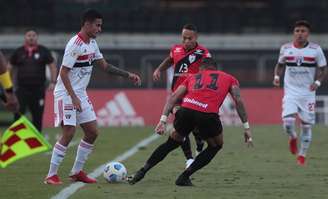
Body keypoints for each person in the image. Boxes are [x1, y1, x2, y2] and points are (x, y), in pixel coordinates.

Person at [44, 9, 141, 185]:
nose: (99, 29)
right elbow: (63, 72)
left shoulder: (92, 44)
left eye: (100, 26)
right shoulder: (75, 44)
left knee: (92, 132)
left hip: (79, 93)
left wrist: (128, 75)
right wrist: (73, 97)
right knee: (69, 132)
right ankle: (51, 175)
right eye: (97, 25)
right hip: (66, 93)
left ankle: (76, 172)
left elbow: (104, 66)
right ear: (86, 24)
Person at [129, 57, 253, 186]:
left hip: (186, 110)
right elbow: (238, 100)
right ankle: (184, 176)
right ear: (215, 68)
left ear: (201, 68)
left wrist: (163, 120)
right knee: (216, 145)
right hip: (207, 114)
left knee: (172, 142)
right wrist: (246, 127)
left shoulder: (192, 77)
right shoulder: (229, 78)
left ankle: (142, 171)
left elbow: (173, 97)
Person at [153, 24, 211, 168]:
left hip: (194, 95)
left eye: (189, 38)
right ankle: (189, 158)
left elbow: (210, 71)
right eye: (184, 38)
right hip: (178, 96)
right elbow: (169, 60)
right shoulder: (176, 49)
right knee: (180, 125)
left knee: (197, 129)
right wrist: (159, 69)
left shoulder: (203, 53)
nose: (186, 41)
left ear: (196, 38)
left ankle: (199, 143)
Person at [273, 20, 327, 166]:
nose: (300, 34)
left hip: (308, 94)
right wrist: (277, 77)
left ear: (308, 34)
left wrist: (317, 82)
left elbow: (323, 69)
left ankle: (302, 155)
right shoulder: (285, 48)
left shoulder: (315, 50)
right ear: (294, 33)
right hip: (291, 92)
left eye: (303, 31)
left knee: (307, 125)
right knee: (288, 123)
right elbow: (280, 65)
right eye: (297, 31)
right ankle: (292, 137)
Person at [9, 29, 57, 132]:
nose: (31, 37)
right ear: (25, 37)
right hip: (21, 90)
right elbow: (10, 67)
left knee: (38, 116)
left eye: (33, 35)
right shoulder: (19, 51)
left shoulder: (43, 51)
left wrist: (53, 82)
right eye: (28, 35)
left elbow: (52, 66)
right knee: (18, 115)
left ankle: (37, 143)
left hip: (38, 90)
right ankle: (16, 140)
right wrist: (10, 84)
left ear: (37, 37)